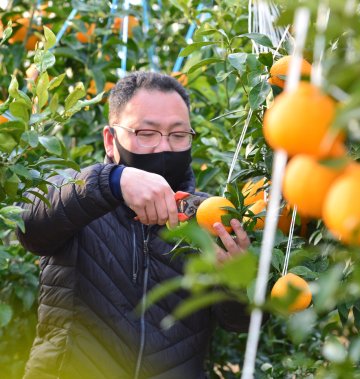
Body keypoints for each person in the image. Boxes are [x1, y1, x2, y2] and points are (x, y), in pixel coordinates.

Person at [16, 71, 252, 379]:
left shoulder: (207, 217)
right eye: (146, 133)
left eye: (178, 135)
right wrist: (112, 181)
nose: (163, 147)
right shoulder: (79, 197)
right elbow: (28, 226)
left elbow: (238, 323)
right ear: (110, 140)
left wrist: (236, 281)